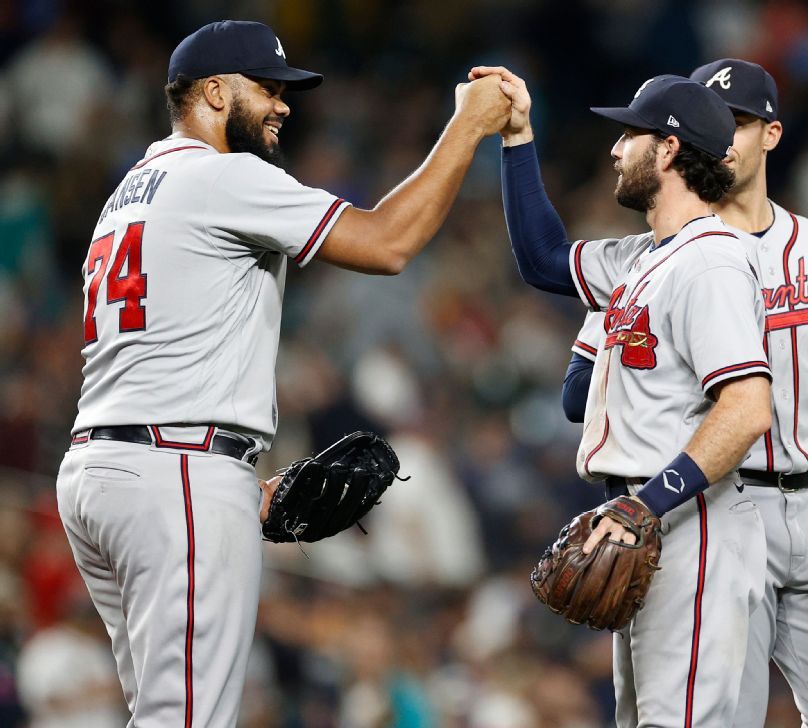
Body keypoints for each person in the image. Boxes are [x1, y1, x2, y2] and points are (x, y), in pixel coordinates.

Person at [56, 20, 510, 727]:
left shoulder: (130, 194)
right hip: (172, 469)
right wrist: (467, 126)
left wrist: (226, 476)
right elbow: (387, 242)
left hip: (109, 468)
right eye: (265, 87)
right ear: (212, 92)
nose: (283, 103)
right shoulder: (223, 175)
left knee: (160, 712)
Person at [562, 58, 808, 727]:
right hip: (723, 497)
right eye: (712, 119)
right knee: (711, 711)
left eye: (740, 121)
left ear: (770, 135)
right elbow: (580, 389)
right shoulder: (654, 253)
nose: (724, 132)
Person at [474, 64, 773, 726]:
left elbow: (749, 408)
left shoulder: (712, 263)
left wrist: (646, 505)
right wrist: (518, 136)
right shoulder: (645, 257)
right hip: (644, 515)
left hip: (690, 520)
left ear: (668, 148)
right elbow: (542, 259)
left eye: (629, 135)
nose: (613, 149)